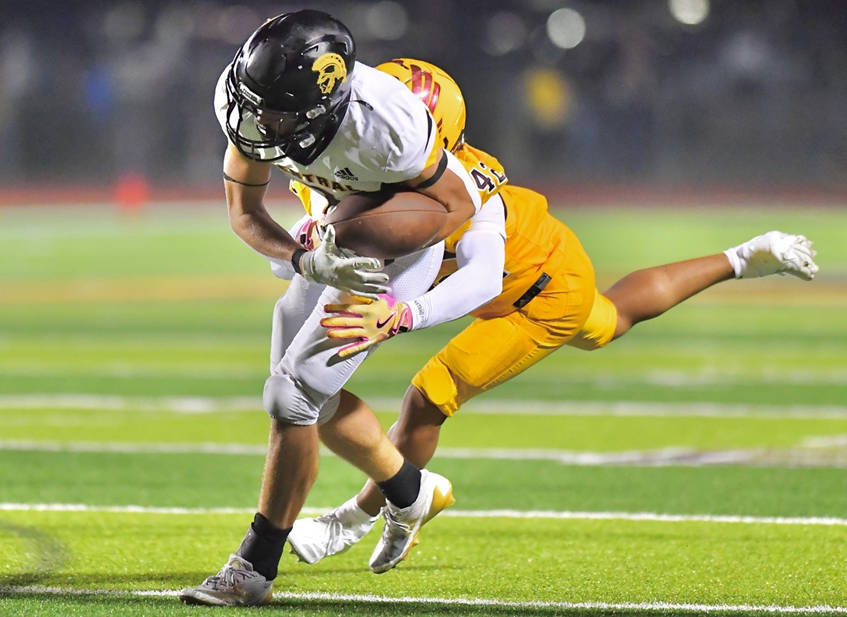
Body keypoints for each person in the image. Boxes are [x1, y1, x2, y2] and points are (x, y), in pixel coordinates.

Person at [285, 59, 820, 570]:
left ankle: (359, 516)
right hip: (539, 267)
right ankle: (743, 257)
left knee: (429, 396)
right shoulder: (356, 156)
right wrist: (314, 231)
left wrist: (404, 313)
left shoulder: (465, 193)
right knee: (610, 319)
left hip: (537, 294)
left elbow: (480, 280)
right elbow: (323, 207)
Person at [179, 13, 493, 606]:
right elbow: (245, 215)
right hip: (331, 239)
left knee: (290, 396)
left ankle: (254, 567)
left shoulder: (388, 125)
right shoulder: (246, 97)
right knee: (308, 406)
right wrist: (307, 259)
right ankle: (409, 491)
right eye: (258, 104)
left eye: (279, 111)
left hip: (394, 252)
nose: (261, 121)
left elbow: (454, 204)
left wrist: (387, 271)